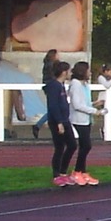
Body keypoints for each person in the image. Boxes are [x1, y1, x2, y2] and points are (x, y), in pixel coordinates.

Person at [43, 57, 77, 187]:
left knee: (72, 145)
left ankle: (62, 172)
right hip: (58, 121)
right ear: (64, 72)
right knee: (60, 147)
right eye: (69, 71)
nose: (70, 73)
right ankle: (57, 175)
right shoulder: (54, 86)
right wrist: (59, 122)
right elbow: (53, 105)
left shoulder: (61, 86)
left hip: (64, 119)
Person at [65, 61, 100, 185]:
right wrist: (94, 111)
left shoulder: (84, 85)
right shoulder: (76, 85)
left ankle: (83, 172)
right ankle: (77, 171)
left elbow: (84, 102)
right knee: (86, 145)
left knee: (85, 145)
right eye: (88, 70)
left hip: (86, 119)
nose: (90, 73)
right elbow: (77, 105)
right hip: (78, 120)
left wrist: (94, 104)